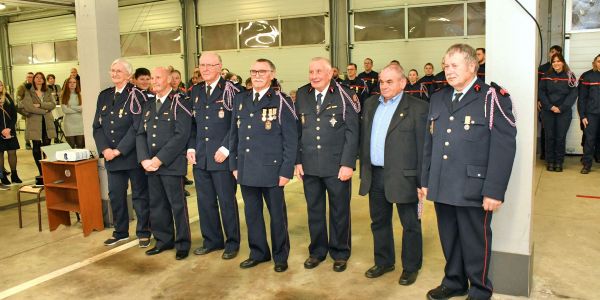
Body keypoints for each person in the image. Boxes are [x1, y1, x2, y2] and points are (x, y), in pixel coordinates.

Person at [422, 44, 516, 300]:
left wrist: (494, 191)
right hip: (442, 184)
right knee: (449, 238)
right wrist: (425, 180)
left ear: (473, 66)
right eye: (445, 65)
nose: (448, 71)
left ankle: (479, 289)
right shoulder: (439, 97)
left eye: (454, 65)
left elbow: (504, 147)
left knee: (476, 242)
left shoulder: (491, 97)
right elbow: (429, 142)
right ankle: (454, 281)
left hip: (474, 187)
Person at [359, 63, 427, 285]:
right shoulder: (370, 105)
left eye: (389, 81)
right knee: (379, 222)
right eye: (381, 81)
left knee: (410, 225)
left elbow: (423, 147)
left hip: (404, 177)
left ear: (402, 83)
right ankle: (384, 261)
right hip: (375, 175)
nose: (384, 86)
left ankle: (410, 266)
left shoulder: (417, 108)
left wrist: (421, 182)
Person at [229, 58, 298, 272]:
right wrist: (234, 165)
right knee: (252, 214)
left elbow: (291, 139)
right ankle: (258, 252)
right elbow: (234, 135)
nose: (257, 75)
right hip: (247, 168)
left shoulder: (280, 100)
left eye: (262, 71)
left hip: (272, 169)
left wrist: (287, 170)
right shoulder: (240, 99)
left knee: (277, 216)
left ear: (272, 74)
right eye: (254, 71)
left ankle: (280, 256)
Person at [295, 57, 359, 272]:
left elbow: (352, 131)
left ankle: (340, 252)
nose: (314, 76)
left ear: (330, 73)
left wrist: (348, 163)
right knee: (314, 211)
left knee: (339, 211)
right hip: (310, 164)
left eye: (319, 71)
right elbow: (297, 130)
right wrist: (297, 161)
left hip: (336, 166)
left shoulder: (345, 94)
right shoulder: (302, 94)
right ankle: (317, 251)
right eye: (311, 71)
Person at [186, 52, 241, 260]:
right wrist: (191, 147)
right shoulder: (196, 91)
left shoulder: (232, 91)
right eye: (202, 65)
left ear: (220, 67)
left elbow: (238, 122)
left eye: (210, 65)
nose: (206, 69)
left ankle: (232, 243)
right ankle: (212, 240)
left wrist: (227, 148)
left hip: (222, 157)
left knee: (226, 201)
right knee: (205, 201)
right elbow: (191, 124)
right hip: (201, 157)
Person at [92, 58, 151, 248]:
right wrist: (105, 149)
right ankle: (120, 232)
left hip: (132, 155)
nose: (114, 73)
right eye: (112, 70)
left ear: (128, 75)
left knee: (139, 195)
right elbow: (97, 126)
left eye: (118, 71)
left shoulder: (138, 95)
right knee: (116, 195)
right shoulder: (104, 95)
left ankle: (144, 232)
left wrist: (119, 150)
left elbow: (137, 127)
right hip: (111, 156)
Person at [137, 66, 193, 260]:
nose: (154, 81)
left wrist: (159, 159)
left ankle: (183, 243)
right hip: (150, 165)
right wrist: (144, 159)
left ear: (169, 80)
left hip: (170, 164)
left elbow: (181, 135)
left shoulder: (180, 102)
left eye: (158, 77)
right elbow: (141, 133)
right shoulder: (149, 104)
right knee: (157, 205)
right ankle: (163, 240)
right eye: (152, 78)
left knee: (177, 205)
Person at [539, 53, 578, 172]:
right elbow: (541, 92)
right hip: (548, 111)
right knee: (549, 137)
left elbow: (573, 93)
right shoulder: (546, 75)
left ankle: (559, 162)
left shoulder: (570, 75)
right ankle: (550, 162)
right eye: (554, 61)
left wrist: (562, 107)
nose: (556, 63)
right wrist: (550, 106)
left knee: (560, 137)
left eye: (558, 61)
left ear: (563, 62)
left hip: (564, 112)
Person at [22, 72, 56, 176]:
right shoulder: (28, 91)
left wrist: (40, 104)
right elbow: (29, 107)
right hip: (34, 122)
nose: (39, 79)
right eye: (37, 77)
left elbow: (53, 105)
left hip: (47, 121)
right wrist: (44, 110)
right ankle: (41, 171)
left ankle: (47, 169)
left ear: (44, 80)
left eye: (41, 78)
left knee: (47, 146)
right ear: (33, 79)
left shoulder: (48, 91)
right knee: (36, 147)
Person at [537, 45, 562, 160]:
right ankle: (545, 154)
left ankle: (556, 156)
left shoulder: (565, 70)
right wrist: (538, 99)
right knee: (545, 129)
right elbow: (538, 86)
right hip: (545, 104)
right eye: (552, 52)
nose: (553, 54)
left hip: (560, 107)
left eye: (556, 52)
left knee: (558, 132)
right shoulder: (542, 68)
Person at [578, 54, 600, 173]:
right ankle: (587, 164)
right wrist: (583, 116)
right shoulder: (587, 76)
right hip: (592, 115)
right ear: (595, 63)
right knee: (589, 140)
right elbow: (582, 98)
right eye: (599, 61)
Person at [0, 80, 21, 185]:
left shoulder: (8, 98)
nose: (0, 86)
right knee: (0, 154)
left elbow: (14, 114)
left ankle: (14, 174)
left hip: (10, 131)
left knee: (12, 152)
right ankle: (2, 176)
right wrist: (1, 130)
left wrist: (9, 128)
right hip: (0, 132)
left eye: (1, 84)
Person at [61, 77, 85, 149]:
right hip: (68, 124)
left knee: (80, 146)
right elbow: (65, 110)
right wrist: (77, 109)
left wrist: (71, 106)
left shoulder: (81, 95)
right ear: (67, 84)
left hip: (80, 123)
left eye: (74, 82)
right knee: (71, 147)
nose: (72, 84)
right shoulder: (63, 95)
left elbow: (82, 108)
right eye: (70, 82)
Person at [16, 72, 34, 150]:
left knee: (35, 128)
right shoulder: (21, 87)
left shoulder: (35, 86)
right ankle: (27, 143)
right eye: (29, 77)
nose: (30, 78)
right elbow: (18, 99)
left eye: (32, 77)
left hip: (36, 110)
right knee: (28, 128)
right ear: (26, 78)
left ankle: (35, 142)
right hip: (26, 111)